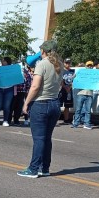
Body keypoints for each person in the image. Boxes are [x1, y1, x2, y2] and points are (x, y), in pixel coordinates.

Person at [18, 40, 64, 178]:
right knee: (47, 138)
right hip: (55, 103)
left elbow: (35, 86)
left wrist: (26, 103)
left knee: (39, 138)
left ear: (43, 51)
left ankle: (33, 169)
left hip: (41, 103)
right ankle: (45, 168)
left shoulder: (42, 64)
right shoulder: (60, 65)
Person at [0, 56, 15, 126]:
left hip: (9, 88)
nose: (2, 62)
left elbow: (15, 78)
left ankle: (5, 120)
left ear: (7, 62)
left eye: (3, 61)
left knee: (7, 106)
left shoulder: (12, 69)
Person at [72, 60, 96, 129]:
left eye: (91, 66)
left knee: (88, 111)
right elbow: (73, 78)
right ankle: (76, 123)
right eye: (88, 66)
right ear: (86, 66)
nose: (90, 67)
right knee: (78, 109)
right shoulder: (81, 72)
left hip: (90, 94)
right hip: (81, 93)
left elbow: (98, 80)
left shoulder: (94, 74)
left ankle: (87, 124)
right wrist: (76, 75)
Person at [59, 59, 74, 123]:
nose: (68, 64)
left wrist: (69, 87)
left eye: (69, 63)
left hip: (69, 90)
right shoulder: (61, 71)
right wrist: (65, 87)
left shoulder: (72, 71)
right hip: (61, 90)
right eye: (66, 63)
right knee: (58, 105)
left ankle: (66, 119)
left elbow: (74, 80)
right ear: (64, 63)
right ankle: (55, 118)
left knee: (67, 106)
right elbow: (60, 80)